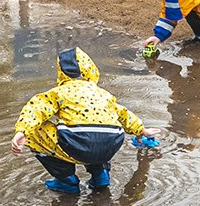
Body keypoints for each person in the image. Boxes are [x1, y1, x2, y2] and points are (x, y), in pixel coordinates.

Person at [11, 47, 158, 194]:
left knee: (34, 131)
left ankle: (66, 180)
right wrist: (142, 131)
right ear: (90, 69)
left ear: (61, 73)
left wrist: (22, 132)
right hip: (110, 145)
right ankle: (100, 174)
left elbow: (36, 109)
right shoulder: (102, 94)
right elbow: (124, 114)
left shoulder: (59, 93)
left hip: (78, 144)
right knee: (100, 128)